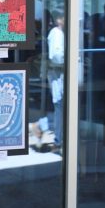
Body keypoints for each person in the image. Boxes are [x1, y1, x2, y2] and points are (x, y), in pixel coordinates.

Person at [47, 12, 65, 149]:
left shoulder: (62, 33)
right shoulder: (56, 33)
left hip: (61, 73)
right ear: (59, 19)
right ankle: (59, 139)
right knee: (59, 105)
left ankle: (60, 138)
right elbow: (56, 57)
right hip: (58, 73)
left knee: (61, 106)